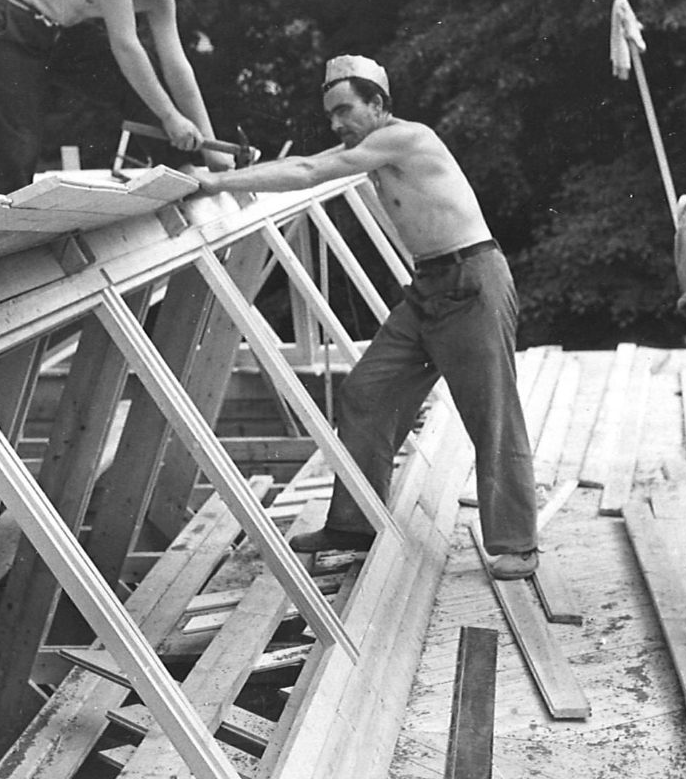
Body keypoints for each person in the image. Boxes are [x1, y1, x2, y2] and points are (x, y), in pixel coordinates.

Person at [198, 55, 539, 579]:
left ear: (378, 105)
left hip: (471, 282)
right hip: (430, 287)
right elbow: (309, 164)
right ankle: (354, 523)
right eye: (331, 115)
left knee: (490, 410)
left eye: (345, 111)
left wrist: (217, 183)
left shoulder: (407, 138)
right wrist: (244, 174)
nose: (337, 124)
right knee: (366, 392)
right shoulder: (373, 148)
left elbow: (310, 169)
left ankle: (516, 544)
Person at [0, 0, 232, 197]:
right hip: (2, 19)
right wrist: (171, 117)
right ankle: (3, 230)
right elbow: (125, 45)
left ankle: (181, 171)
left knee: (141, 85)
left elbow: (177, 68)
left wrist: (210, 147)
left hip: (54, 30)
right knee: (14, 147)